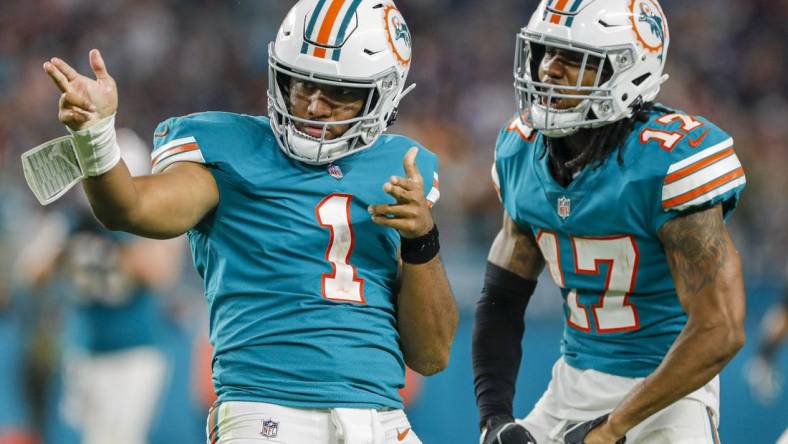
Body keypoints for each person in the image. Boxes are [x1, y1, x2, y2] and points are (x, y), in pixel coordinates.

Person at [40, 0, 458, 442]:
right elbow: (129, 208)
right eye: (300, 84)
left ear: (384, 93)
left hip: (381, 416)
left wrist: (422, 240)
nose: (314, 106)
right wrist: (96, 138)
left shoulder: (399, 168)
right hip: (268, 412)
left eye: (338, 92)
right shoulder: (232, 151)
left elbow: (431, 356)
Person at [472, 0, 746, 443]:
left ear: (628, 72)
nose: (548, 71)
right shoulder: (522, 149)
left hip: (667, 395)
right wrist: (495, 418)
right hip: (571, 386)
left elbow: (721, 328)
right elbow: (501, 300)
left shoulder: (669, 162)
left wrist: (611, 429)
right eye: (545, 52)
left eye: (574, 59)